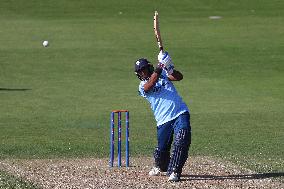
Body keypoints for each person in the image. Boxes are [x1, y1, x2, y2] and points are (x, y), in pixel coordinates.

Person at [134, 51, 191, 182]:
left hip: (180, 112)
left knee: (182, 138)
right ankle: (160, 166)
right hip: (163, 120)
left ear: (149, 67)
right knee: (161, 153)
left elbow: (179, 77)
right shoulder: (142, 86)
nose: (142, 73)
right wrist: (160, 66)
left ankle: (175, 171)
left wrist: (169, 66)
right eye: (140, 71)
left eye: (144, 69)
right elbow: (150, 85)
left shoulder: (163, 74)